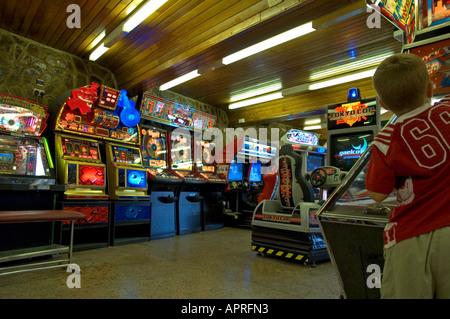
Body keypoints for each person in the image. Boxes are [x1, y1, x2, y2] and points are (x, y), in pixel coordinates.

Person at [365, 53, 450, 299]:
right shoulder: (447, 109)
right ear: (430, 88)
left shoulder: (385, 139)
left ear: (383, 105)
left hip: (410, 236)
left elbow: (377, 194)